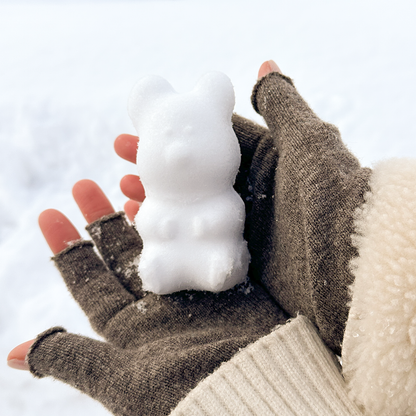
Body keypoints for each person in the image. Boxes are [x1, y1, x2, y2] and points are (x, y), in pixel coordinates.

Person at [7, 61, 416, 415]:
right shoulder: (159, 200)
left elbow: (226, 216)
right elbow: (151, 222)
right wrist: (382, 255)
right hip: (168, 254)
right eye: (168, 138)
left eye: (194, 134)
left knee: (219, 258)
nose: (181, 151)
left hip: (217, 257)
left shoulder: (223, 199)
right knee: (158, 262)